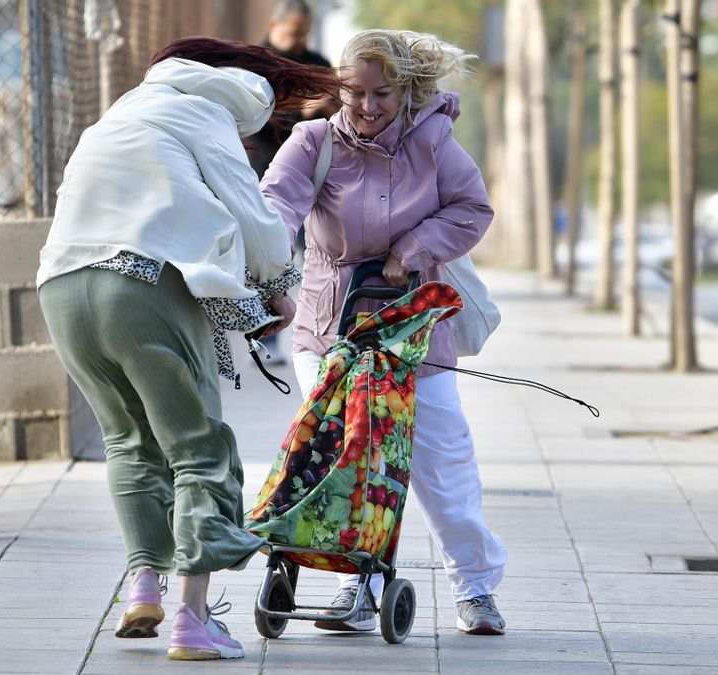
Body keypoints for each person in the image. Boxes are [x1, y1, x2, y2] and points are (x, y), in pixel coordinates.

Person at [36, 36, 340, 661]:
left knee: (128, 443)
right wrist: (280, 287)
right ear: (248, 87)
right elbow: (250, 212)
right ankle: (193, 622)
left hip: (60, 287)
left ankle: (143, 584)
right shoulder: (207, 112)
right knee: (198, 448)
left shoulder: (119, 113)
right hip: (141, 284)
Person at [260, 29, 508, 636]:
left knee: (442, 466)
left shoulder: (433, 143)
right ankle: (358, 584)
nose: (368, 106)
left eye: (382, 94)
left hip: (414, 334)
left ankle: (474, 588)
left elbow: (473, 209)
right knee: (350, 462)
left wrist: (416, 246)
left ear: (405, 89)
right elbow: (273, 209)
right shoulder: (313, 142)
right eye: (355, 93)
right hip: (329, 332)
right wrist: (263, 267)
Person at [249, 0, 340, 365]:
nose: (300, 42)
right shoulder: (255, 63)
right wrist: (298, 112)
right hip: (264, 168)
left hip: (310, 173)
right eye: (293, 33)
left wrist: (326, 107)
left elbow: (341, 111)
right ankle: (264, 334)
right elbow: (251, 117)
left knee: (315, 250)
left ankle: (322, 330)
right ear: (274, 25)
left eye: (304, 34)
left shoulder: (316, 62)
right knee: (268, 252)